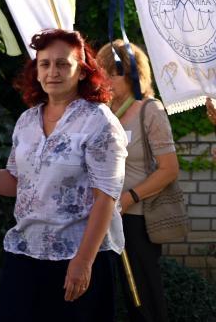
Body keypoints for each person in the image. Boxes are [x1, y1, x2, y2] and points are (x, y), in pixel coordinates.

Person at [0, 29, 127, 321]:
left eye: (63, 64)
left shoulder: (99, 121)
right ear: (36, 72)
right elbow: (17, 182)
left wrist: (83, 262)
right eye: (45, 64)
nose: (53, 71)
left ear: (81, 72)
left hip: (77, 258)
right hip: (25, 251)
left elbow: (106, 198)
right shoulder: (27, 121)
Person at [96, 41, 177, 322]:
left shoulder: (149, 110)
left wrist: (128, 197)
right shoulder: (98, 113)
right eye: (102, 71)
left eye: (115, 72)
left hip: (135, 219)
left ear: (134, 75)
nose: (106, 78)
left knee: (144, 299)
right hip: (100, 218)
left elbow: (169, 170)